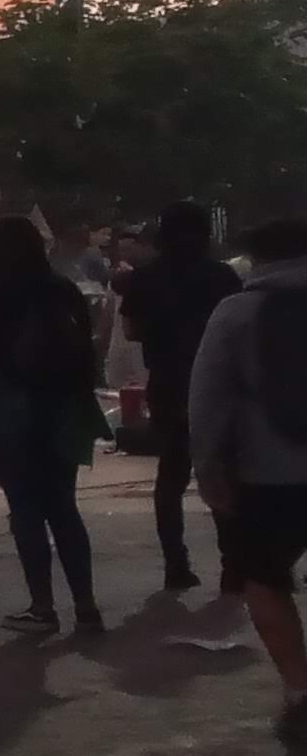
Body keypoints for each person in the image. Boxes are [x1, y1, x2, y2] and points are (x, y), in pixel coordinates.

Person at [187, 212, 307, 751]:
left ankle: (301, 691)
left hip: (267, 475)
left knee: (264, 579)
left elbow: (208, 402)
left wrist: (209, 469)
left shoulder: (237, 312)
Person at [0, 218, 109, 638]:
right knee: (63, 507)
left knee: (27, 511)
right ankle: (86, 607)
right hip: (65, 410)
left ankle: (42, 607)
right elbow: (87, 355)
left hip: (12, 409)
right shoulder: (62, 289)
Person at [123, 201, 243, 598]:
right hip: (219, 383)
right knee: (223, 473)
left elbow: (132, 331)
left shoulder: (145, 278)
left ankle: (176, 564)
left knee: (171, 477)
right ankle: (233, 567)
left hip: (168, 384)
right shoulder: (221, 276)